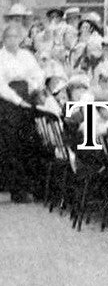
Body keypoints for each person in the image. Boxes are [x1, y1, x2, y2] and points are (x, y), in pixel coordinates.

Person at [0, 21, 46, 202]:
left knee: (30, 141)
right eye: (9, 36)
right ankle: (17, 190)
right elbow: (1, 85)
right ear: (4, 38)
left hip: (28, 97)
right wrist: (18, 101)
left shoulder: (26, 55)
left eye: (16, 36)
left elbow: (38, 74)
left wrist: (34, 87)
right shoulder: (1, 57)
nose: (13, 40)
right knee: (12, 145)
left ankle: (34, 187)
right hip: (8, 103)